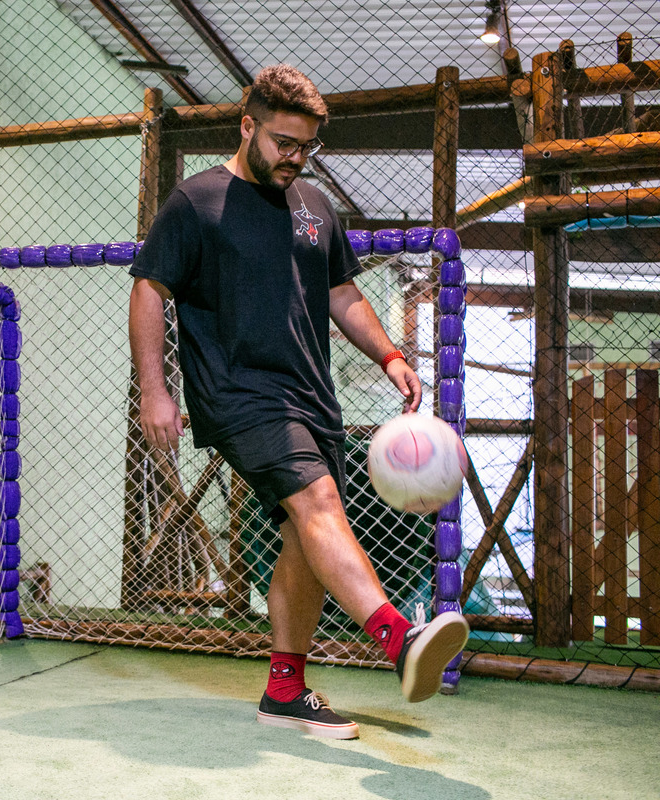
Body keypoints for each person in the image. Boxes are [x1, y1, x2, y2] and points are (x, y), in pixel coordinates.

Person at [128, 64, 469, 739]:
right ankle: (398, 638)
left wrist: (391, 356)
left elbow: (341, 293)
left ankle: (285, 689)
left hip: (311, 396)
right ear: (246, 126)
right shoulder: (197, 202)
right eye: (283, 142)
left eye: (306, 146)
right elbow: (148, 288)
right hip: (238, 392)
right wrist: (154, 390)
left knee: (301, 536)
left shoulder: (314, 205)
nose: (295, 157)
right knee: (317, 500)